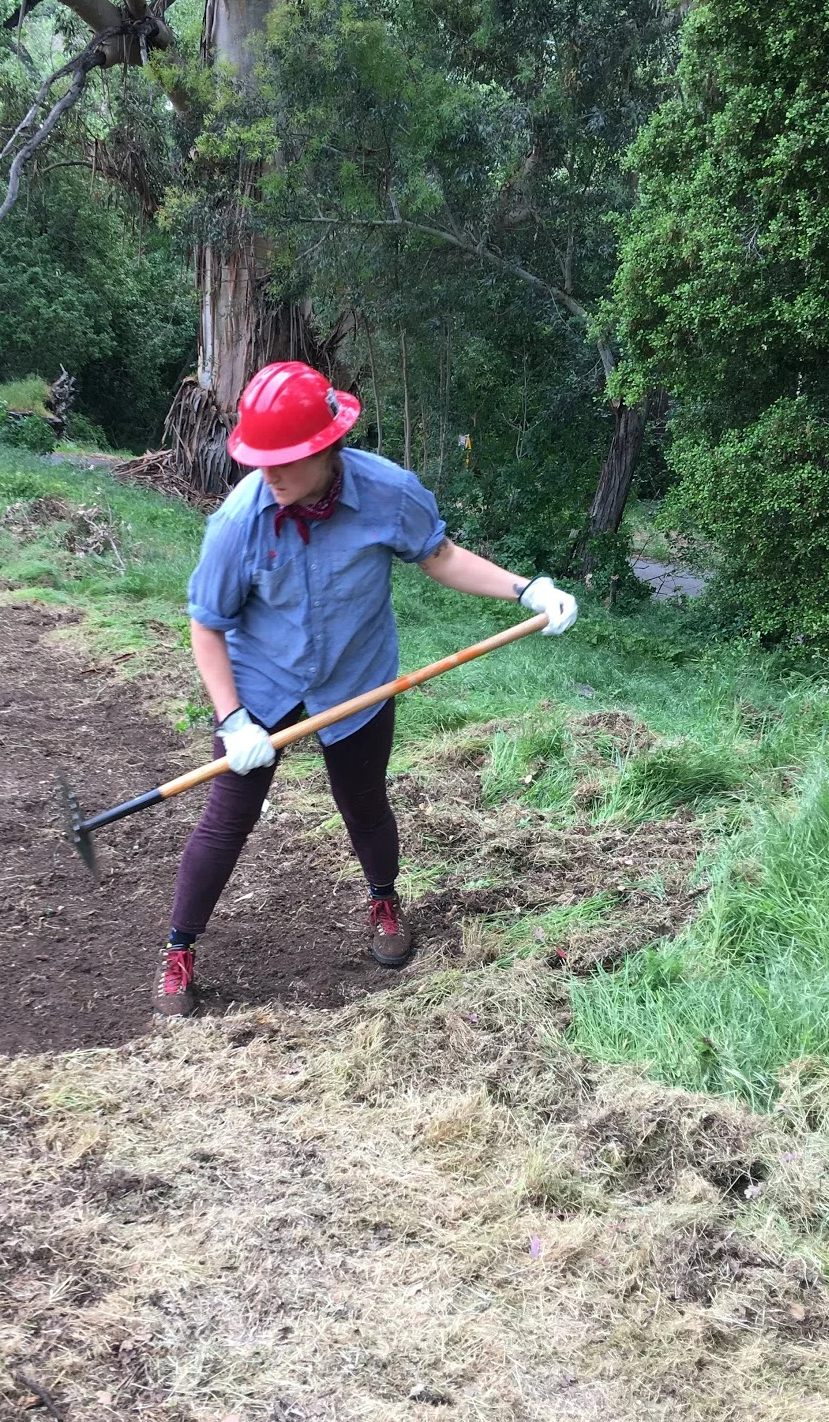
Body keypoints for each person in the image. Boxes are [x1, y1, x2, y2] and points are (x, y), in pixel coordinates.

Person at [154, 359, 578, 1017]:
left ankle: (384, 898)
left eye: (285, 461)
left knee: (364, 802)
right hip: (260, 682)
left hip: (356, 676)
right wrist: (234, 719)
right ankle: (179, 950)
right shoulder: (238, 522)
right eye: (259, 460)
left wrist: (526, 590)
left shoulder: (388, 493)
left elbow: (439, 556)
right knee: (227, 816)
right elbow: (207, 626)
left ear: (328, 448)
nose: (269, 475)